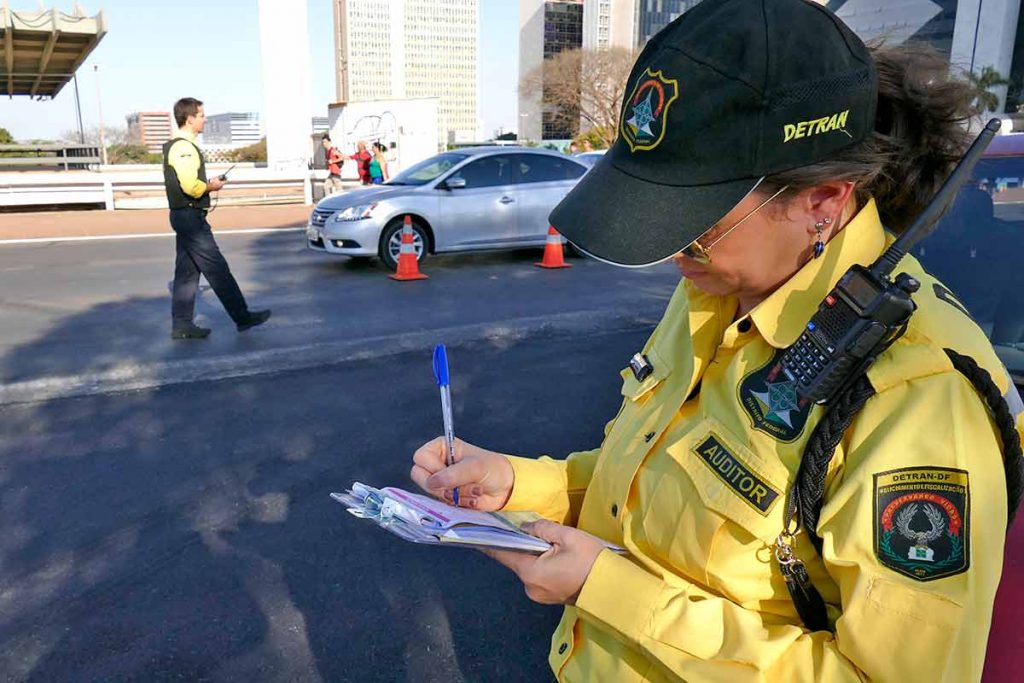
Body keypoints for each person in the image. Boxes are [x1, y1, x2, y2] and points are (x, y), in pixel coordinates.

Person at [409, 1, 1024, 680]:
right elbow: (652, 480)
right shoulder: (716, 287)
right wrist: (520, 483)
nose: (674, 253)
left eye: (694, 223)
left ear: (823, 200)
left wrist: (608, 587)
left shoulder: (921, 401)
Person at [163, 97, 271, 340]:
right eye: (202, 115)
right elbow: (191, 186)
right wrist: (212, 186)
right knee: (217, 269)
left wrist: (208, 185)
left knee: (186, 274)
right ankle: (242, 317)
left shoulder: (178, 146)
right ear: (190, 119)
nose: (205, 119)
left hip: (183, 216)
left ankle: (181, 326)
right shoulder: (184, 147)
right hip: (191, 217)